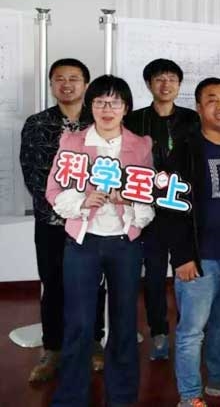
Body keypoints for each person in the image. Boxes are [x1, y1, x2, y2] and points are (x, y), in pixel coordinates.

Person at [45, 75, 155, 407]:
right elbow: (53, 190)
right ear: (90, 106)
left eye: (115, 102)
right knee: (78, 323)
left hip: (125, 244)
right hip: (83, 243)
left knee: (124, 323)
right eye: (100, 102)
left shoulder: (140, 145)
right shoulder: (72, 141)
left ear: (126, 108)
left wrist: (130, 201)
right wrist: (82, 201)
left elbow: (149, 197)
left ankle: (121, 397)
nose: (107, 109)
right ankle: (70, 399)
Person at [167, 78, 220, 406]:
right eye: (212, 99)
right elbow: (172, 207)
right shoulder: (185, 147)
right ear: (199, 108)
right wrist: (182, 256)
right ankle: (189, 395)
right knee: (192, 331)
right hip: (199, 257)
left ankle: (219, 380)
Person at [19, 58, 107, 382]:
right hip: (52, 221)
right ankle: (53, 348)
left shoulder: (101, 121)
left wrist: (90, 208)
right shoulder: (37, 123)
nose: (67, 84)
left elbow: (110, 169)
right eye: (60, 78)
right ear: (52, 84)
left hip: (94, 221)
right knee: (53, 284)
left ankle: (93, 341)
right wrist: (66, 208)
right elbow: (33, 175)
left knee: (94, 283)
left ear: (86, 84)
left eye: (74, 78)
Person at [125, 59, 199, 361]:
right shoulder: (134, 120)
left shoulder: (192, 119)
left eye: (171, 79)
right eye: (159, 79)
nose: (165, 84)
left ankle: (188, 329)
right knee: (154, 275)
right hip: (149, 209)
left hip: (183, 209)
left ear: (179, 84)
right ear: (149, 84)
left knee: (188, 272)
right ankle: (158, 332)